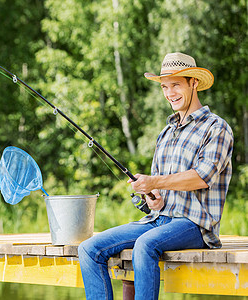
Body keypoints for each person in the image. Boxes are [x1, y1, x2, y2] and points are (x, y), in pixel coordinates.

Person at [78, 52, 234, 300]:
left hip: (195, 225)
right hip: (158, 219)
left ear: (193, 83)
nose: (169, 93)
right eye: (164, 86)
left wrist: (155, 181)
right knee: (88, 248)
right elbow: (158, 190)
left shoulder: (216, 127)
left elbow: (202, 177)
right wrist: (150, 197)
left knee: (145, 245)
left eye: (175, 85)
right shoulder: (166, 133)